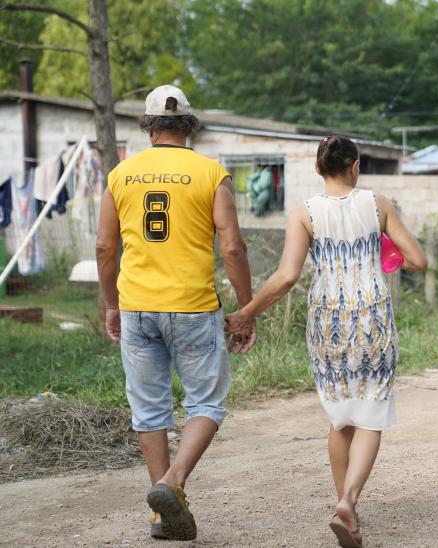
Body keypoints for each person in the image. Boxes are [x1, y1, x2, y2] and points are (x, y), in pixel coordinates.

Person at [225, 136, 427, 547]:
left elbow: (286, 277)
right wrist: (385, 251)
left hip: (328, 319)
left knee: (341, 416)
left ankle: (344, 508)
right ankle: (349, 502)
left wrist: (247, 312)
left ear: (319, 169)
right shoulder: (377, 204)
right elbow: (420, 260)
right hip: (371, 316)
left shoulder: (305, 212)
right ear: (355, 166)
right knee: (371, 412)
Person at [96, 85, 256, 541]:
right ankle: (172, 483)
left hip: (138, 307)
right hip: (192, 307)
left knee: (150, 410)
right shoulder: (210, 173)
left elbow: (105, 247)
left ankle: (162, 511)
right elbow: (232, 246)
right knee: (205, 401)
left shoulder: (121, 174)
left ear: (148, 127)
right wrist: (245, 308)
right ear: (189, 125)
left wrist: (112, 304)